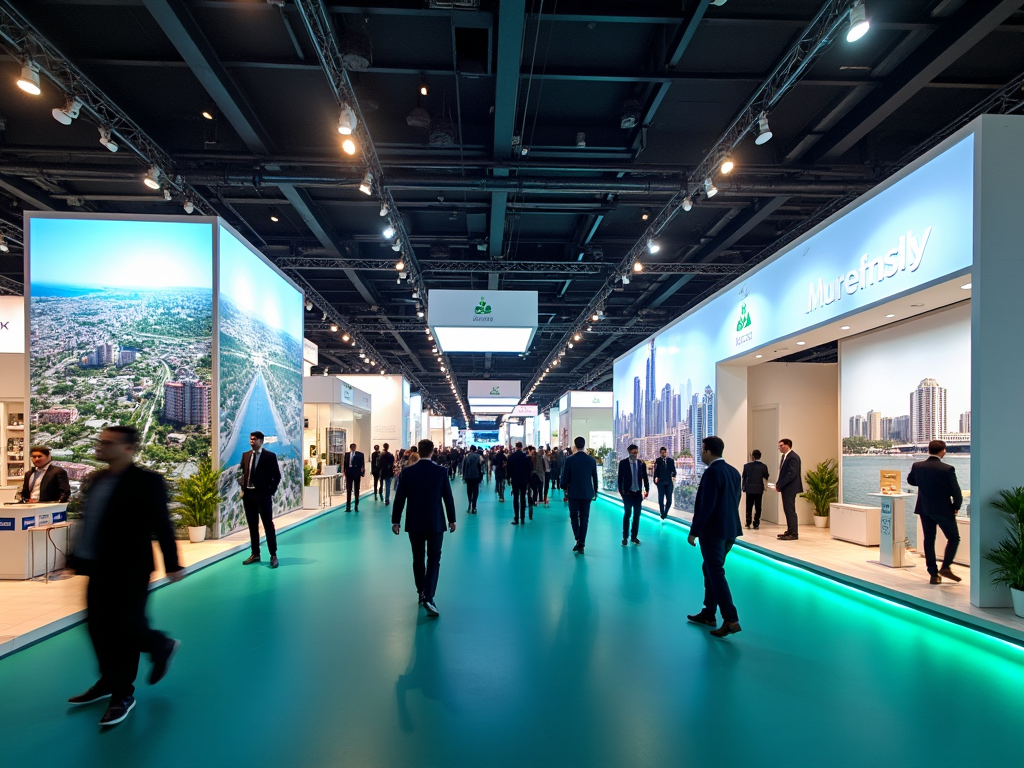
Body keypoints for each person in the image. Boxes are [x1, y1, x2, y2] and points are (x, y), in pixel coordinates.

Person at [67, 425, 185, 726]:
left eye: (108, 443)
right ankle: (110, 681)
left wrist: (172, 563)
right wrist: (74, 557)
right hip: (97, 566)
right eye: (101, 441)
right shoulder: (97, 480)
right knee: (97, 627)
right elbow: (88, 522)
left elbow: (162, 522)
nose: (100, 446)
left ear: (129, 448)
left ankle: (124, 691)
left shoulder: (147, 482)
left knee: (126, 628)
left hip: (131, 568)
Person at [686, 435, 744, 638]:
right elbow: (735, 499)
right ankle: (709, 612)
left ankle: (730, 618)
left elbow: (706, 505)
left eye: (702, 450)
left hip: (713, 532)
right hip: (730, 530)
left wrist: (694, 531)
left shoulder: (712, 473)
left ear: (708, 451)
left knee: (715, 571)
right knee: (709, 568)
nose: (701, 453)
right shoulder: (734, 472)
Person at [391, 439, 456, 617]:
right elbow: (447, 497)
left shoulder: (408, 472)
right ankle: (429, 596)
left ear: (418, 451)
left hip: (414, 523)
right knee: (434, 559)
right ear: (432, 451)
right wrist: (452, 519)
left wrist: (395, 521)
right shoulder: (441, 471)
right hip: (436, 522)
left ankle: (421, 592)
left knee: (418, 558)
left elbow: (400, 498)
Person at [908, 439, 964, 584]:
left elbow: (911, 481)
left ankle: (933, 573)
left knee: (929, 538)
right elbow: (956, 492)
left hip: (924, 508)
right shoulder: (947, 469)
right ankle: (945, 567)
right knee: (953, 538)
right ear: (943, 450)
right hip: (943, 509)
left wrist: (924, 483)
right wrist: (956, 507)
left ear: (929, 450)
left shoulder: (917, 466)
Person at [239, 431, 282, 568]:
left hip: (263, 496)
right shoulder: (246, 456)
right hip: (248, 497)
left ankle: (273, 554)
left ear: (261, 441)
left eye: (255, 439)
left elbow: (277, 476)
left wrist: (270, 491)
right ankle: (255, 553)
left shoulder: (269, 456)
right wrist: (242, 489)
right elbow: (242, 472)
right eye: (251, 439)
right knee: (252, 526)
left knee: (268, 525)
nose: (252, 441)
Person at [560, 436, 599, 554]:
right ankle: (581, 541)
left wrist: (564, 487)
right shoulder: (591, 460)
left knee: (573, 516)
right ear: (584, 445)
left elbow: (565, 477)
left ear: (575, 446)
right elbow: (595, 478)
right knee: (584, 517)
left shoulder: (569, 460)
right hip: (587, 493)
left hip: (573, 493)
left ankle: (578, 538)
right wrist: (595, 491)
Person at [617, 444, 649, 546]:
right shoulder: (623, 463)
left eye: (636, 452)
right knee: (627, 515)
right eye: (633, 452)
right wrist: (622, 493)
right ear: (629, 451)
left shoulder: (641, 464)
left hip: (638, 494)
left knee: (637, 515)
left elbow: (645, 478)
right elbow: (620, 479)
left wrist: (647, 489)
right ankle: (625, 537)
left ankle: (634, 537)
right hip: (627, 493)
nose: (635, 453)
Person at [775, 438, 802, 540]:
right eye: (779, 446)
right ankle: (790, 530)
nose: (780, 448)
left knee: (790, 510)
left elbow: (792, 474)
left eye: (781, 445)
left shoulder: (793, 457)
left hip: (790, 488)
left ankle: (794, 533)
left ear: (788, 445)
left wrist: (780, 484)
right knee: (787, 510)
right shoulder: (784, 457)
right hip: (786, 487)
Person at [742, 449, 770, 529]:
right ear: (760, 456)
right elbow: (766, 476)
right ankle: (756, 523)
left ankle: (748, 522)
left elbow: (744, 477)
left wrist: (743, 487)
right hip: (759, 488)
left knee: (749, 506)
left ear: (752, 456)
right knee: (758, 506)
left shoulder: (747, 466)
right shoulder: (763, 466)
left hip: (749, 488)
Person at [507, 442, 532, 524]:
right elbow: (529, 470)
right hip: (524, 480)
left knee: (515, 499)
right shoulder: (526, 457)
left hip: (515, 480)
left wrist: (508, 478)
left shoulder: (511, 457)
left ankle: (516, 518)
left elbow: (509, 469)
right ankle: (523, 518)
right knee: (522, 498)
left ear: (516, 447)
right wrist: (529, 481)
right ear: (521, 447)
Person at [652, 446, 677, 519]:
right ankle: (662, 513)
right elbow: (655, 472)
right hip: (661, 483)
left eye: (664, 452)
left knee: (669, 500)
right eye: (662, 452)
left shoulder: (671, 461)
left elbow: (674, 471)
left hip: (669, 482)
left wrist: (673, 475)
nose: (663, 454)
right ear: (660, 453)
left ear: (666, 452)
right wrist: (656, 481)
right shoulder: (658, 461)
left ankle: (665, 513)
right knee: (660, 500)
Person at [461, 445, 484, 513]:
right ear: (475, 450)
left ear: (470, 449)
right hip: (476, 475)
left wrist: (463, 476)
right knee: (475, 491)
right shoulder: (479, 456)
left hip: (468, 476)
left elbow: (463, 466)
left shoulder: (466, 456)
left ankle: (469, 503)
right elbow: (482, 463)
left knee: (469, 490)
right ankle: (474, 506)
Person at [344, 443, 365, 512]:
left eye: (354, 447)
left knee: (356, 490)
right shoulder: (347, 455)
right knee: (349, 490)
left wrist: (362, 472)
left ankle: (356, 505)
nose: (353, 448)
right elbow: (345, 464)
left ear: (355, 447)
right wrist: (345, 472)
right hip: (349, 473)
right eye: (352, 447)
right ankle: (348, 507)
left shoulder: (360, 454)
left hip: (356, 473)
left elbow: (362, 464)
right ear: (350, 448)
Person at [530, 446, 546, 511]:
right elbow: (544, 467)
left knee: (534, 489)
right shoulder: (541, 458)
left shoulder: (531, 458)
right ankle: (540, 499)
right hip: (539, 475)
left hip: (533, 475)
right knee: (539, 487)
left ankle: (534, 501)